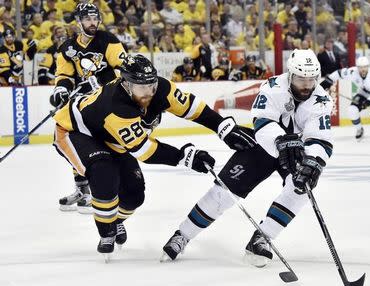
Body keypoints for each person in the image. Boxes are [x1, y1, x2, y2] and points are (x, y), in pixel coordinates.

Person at [53, 54, 257, 257]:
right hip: (75, 132)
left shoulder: (160, 88)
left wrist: (221, 126)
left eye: (151, 85)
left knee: (134, 195)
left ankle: (116, 221)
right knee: (104, 172)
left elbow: (192, 107)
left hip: (112, 139)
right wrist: (185, 156)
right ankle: (107, 232)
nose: (149, 92)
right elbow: (144, 151)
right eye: (142, 87)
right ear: (126, 84)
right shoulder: (116, 106)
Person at [161, 49, 333, 267]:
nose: (306, 85)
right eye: (301, 79)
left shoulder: (321, 99)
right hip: (263, 146)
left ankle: (263, 237)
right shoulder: (272, 88)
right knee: (223, 194)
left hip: (295, 150)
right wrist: (281, 140)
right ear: (290, 75)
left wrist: (314, 161)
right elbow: (261, 123)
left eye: (311, 79)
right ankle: (182, 235)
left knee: (301, 186)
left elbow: (320, 137)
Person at [50, 3, 127, 214]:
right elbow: (64, 76)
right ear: (79, 21)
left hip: (108, 102)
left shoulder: (108, 41)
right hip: (82, 104)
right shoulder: (67, 48)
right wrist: (61, 90)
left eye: (95, 18)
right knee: (69, 141)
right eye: (88, 19)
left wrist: (96, 83)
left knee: (98, 146)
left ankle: (99, 190)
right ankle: (82, 189)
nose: (93, 23)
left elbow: (124, 70)